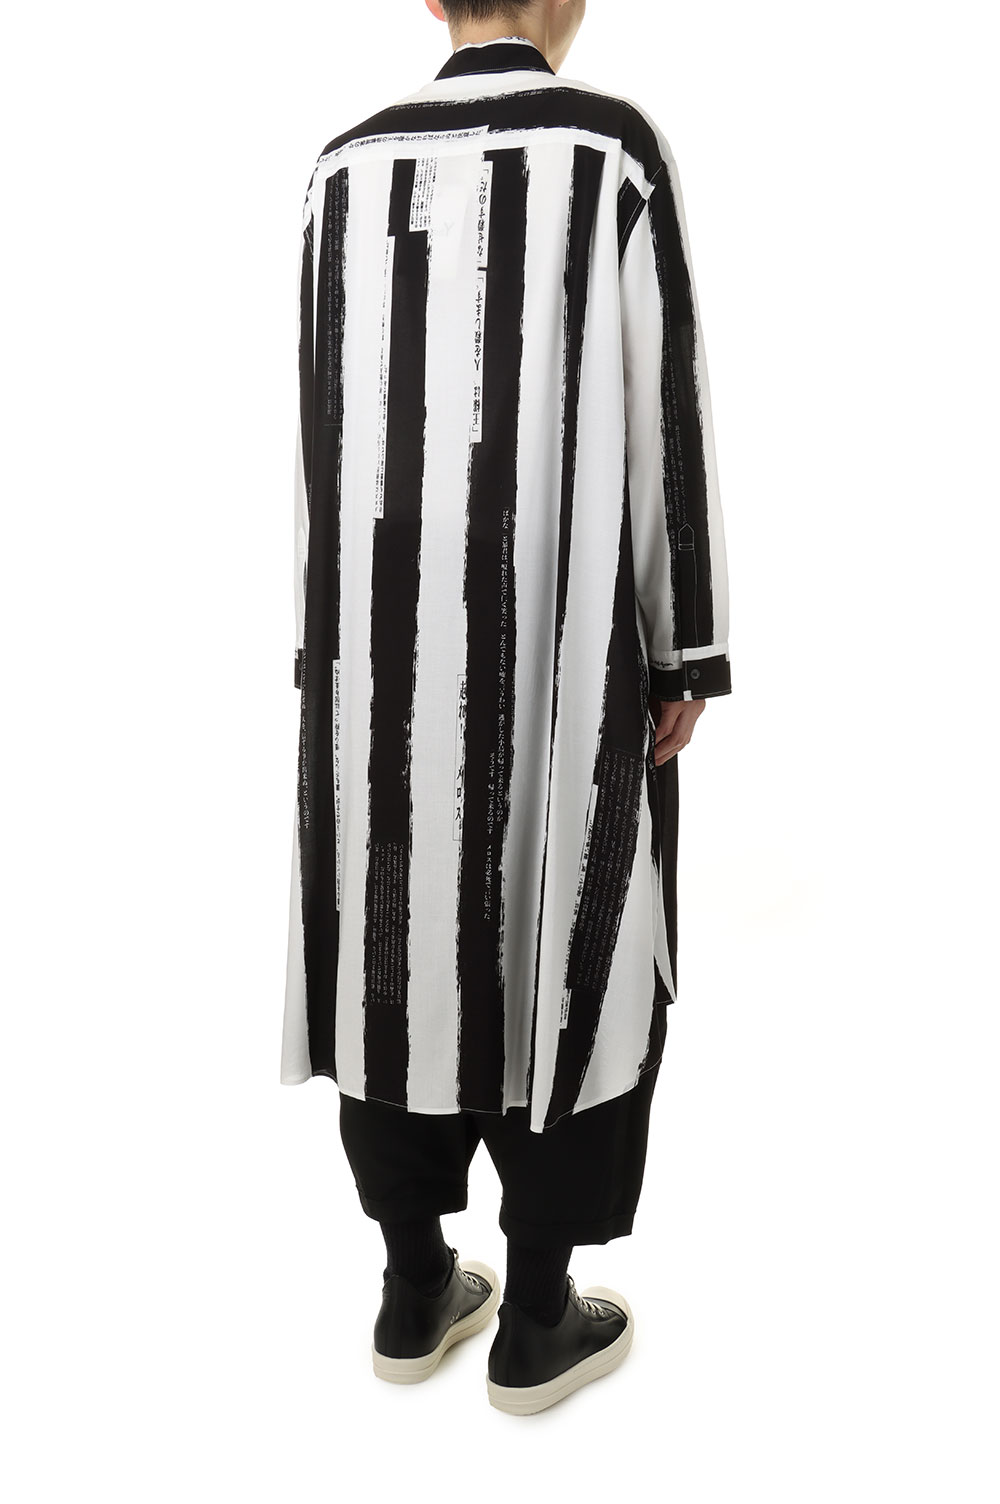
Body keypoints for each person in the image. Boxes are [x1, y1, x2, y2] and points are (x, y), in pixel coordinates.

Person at [280, 0, 732, 1415]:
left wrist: (321, 651)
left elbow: (320, 428)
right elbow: (663, 407)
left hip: (368, 659)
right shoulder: (610, 149)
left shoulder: (342, 166)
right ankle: (537, 1314)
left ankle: (414, 1285)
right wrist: (685, 650)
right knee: (575, 937)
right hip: (565, 644)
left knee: (391, 942)